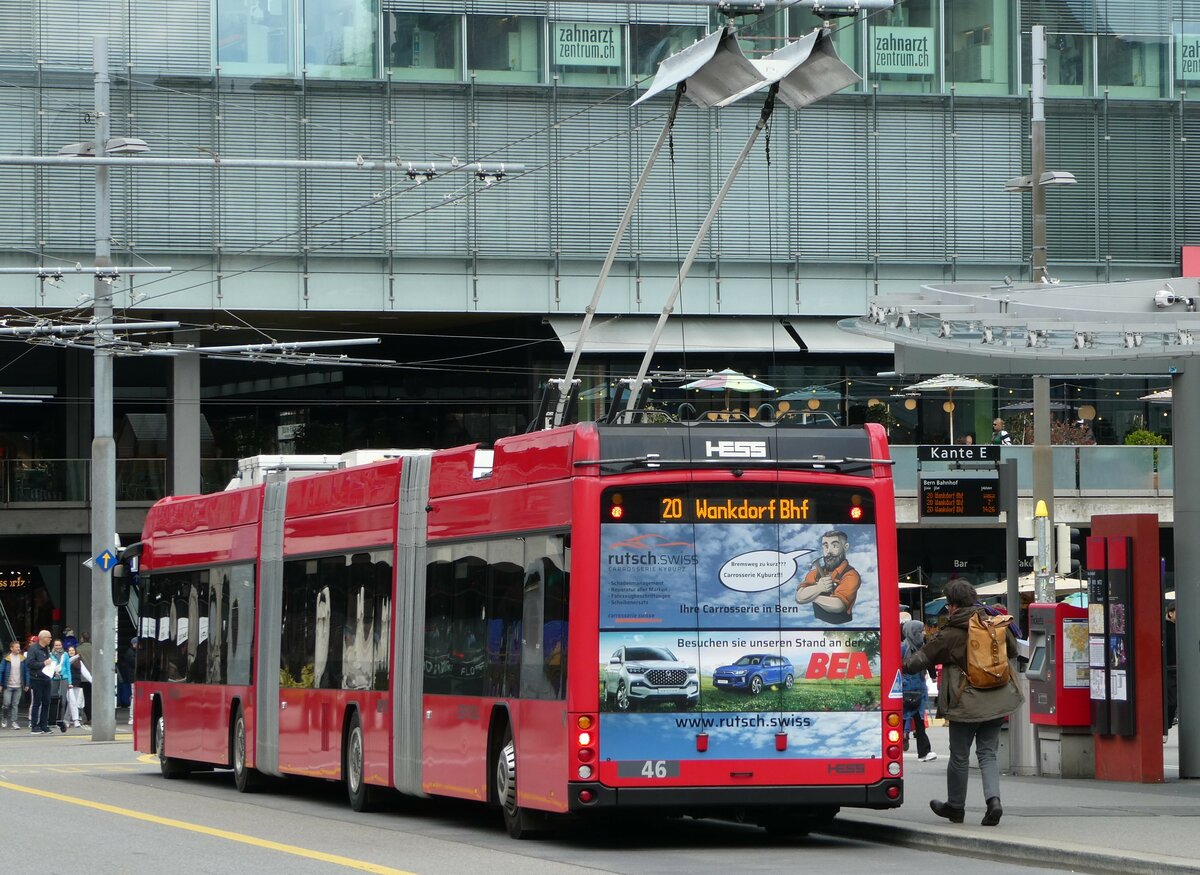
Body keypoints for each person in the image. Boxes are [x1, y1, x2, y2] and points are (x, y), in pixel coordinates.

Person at [902, 580, 1023, 827]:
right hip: (997, 698)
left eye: (948, 604)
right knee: (988, 753)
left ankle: (956, 807)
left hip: (965, 702)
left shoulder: (951, 633)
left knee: (959, 756)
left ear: (954, 606)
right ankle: (994, 802)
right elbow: (1012, 651)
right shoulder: (992, 622)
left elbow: (916, 663)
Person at [795, 530, 862, 624]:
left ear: (845, 547)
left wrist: (810, 596)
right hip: (816, 624)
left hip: (842, 626)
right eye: (825, 546)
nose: (828, 551)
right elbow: (799, 597)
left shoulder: (851, 575)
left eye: (834, 546)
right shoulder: (814, 573)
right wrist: (818, 588)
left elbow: (838, 605)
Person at [901, 620, 938, 762]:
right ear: (914, 632)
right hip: (907, 689)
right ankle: (921, 751)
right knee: (910, 718)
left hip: (919, 690)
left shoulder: (922, 647)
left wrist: (933, 676)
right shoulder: (903, 648)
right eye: (921, 631)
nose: (923, 633)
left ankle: (923, 751)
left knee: (917, 720)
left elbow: (929, 664)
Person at [26, 630, 53, 734]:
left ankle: (44, 725)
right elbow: (30, 663)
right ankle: (34, 726)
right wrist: (43, 663)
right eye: (49, 637)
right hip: (37, 679)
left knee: (46, 702)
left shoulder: (46, 649)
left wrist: (52, 671)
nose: (50, 639)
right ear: (43, 638)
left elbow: (48, 664)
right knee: (37, 702)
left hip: (46, 678)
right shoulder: (33, 648)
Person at [1, 639, 28, 729]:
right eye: (16, 647)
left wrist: (27, 684)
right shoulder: (6, 658)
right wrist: (0, 684)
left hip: (18, 686)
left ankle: (14, 722)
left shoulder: (22, 659)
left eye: (19, 647)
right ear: (11, 648)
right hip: (8, 685)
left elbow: (26, 672)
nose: (18, 648)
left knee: (15, 704)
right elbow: (1, 671)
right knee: (6, 704)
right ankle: (4, 718)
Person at [48, 638, 72, 733]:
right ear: (53, 646)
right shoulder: (50, 655)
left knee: (63, 701)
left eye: (59, 645)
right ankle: (52, 720)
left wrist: (70, 682)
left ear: (62, 645)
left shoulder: (65, 655)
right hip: (54, 678)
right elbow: (49, 667)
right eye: (56, 645)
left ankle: (61, 720)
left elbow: (68, 668)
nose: (58, 647)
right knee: (53, 699)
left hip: (64, 678)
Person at [66, 645, 89, 728]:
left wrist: (92, 680)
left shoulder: (79, 661)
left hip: (76, 683)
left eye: (73, 650)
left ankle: (70, 720)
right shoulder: (66, 659)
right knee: (71, 702)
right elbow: (69, 661)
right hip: (68, 683)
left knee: (73, 702)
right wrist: (76, 656)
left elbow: (85, 672)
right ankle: (74, 720)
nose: (71, 652)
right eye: (69, 650)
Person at [1165, 600, 1178, 738]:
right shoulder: (1165, 628)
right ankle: (1166, 726)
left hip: (1179, 668)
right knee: (1172, 701)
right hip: (1170, 669)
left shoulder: (1183, 627)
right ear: (1170, 613)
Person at [76, 632, 93, 724]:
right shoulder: (94, 648)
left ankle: (88, 717)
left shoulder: (78, 649)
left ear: (82, 638)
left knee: (84, 698)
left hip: (83, 677)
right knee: (93, 697)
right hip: (94, 677)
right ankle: (94, 717)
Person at [118, 637, 137, 710]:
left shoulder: (130, 652)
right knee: (133, 695)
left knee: (133, 695)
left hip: (131, 676)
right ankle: (131, 716)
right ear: (134, 644)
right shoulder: (131, 653)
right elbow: (134, 663)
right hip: (132, 677)